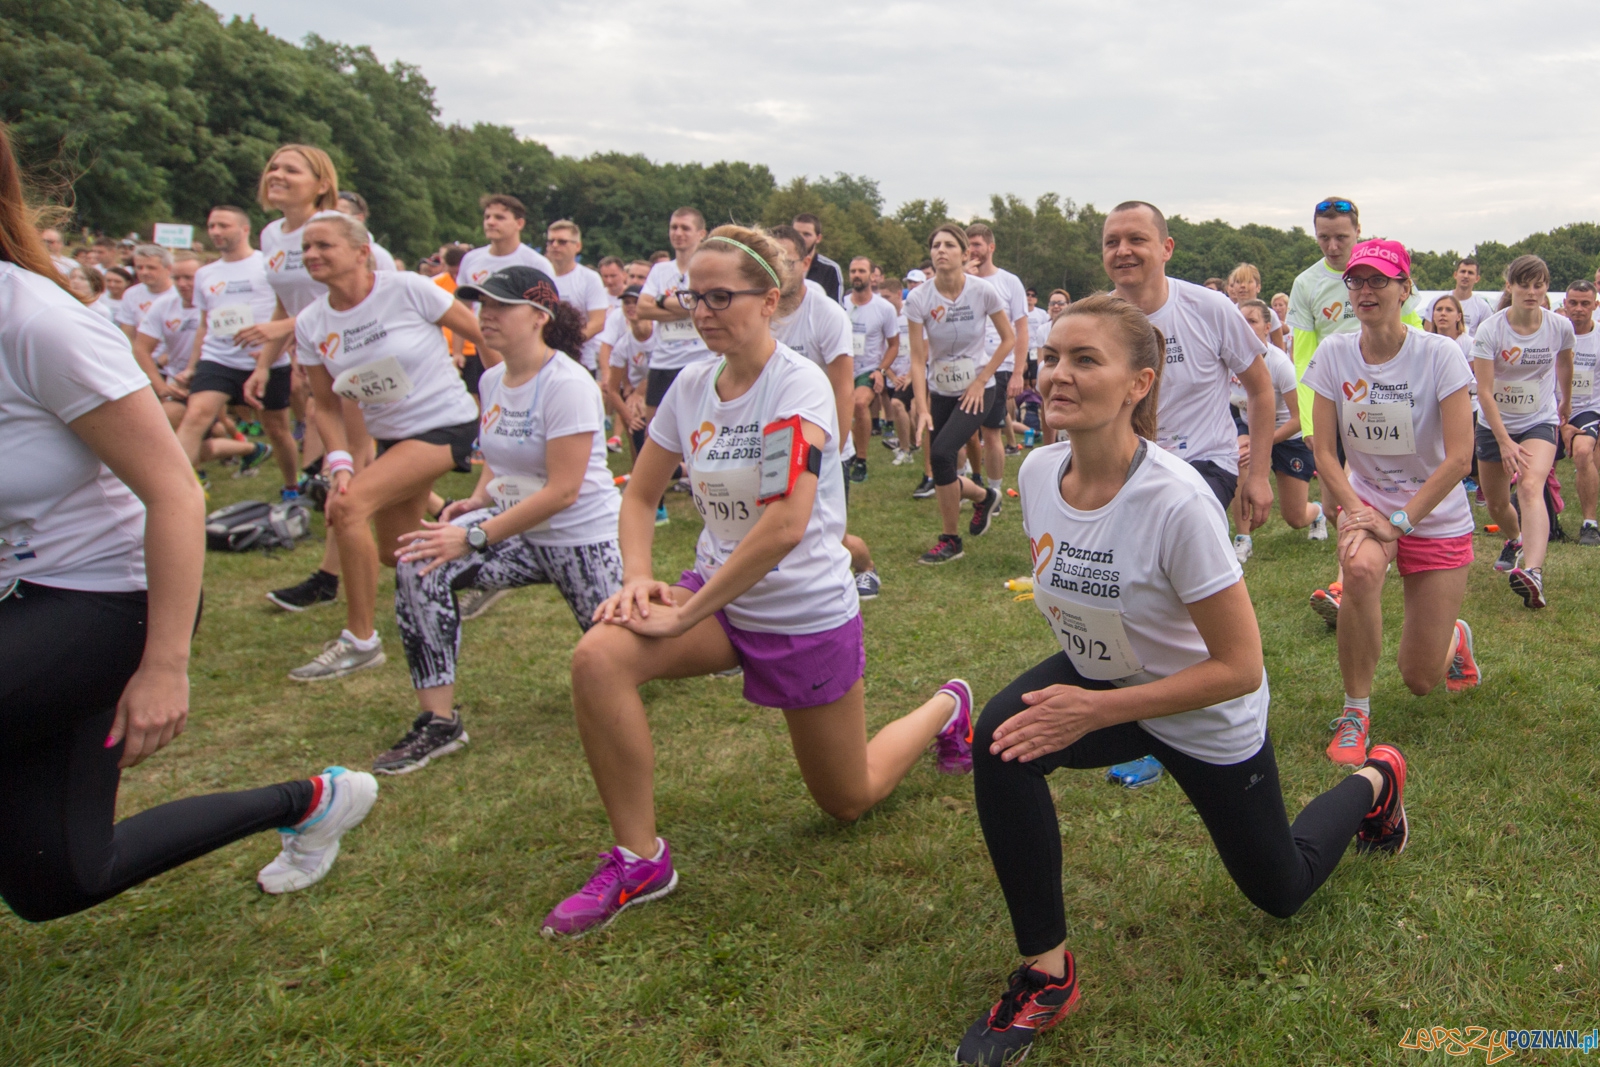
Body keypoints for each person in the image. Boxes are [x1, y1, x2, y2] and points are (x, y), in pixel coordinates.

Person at [956, 292, 1410, 1067]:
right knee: (1001, 741)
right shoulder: (1037, 472)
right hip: (1111, 676)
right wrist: (1088, 703)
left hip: (1206, 709)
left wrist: (1092, 713)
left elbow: (1240, 668)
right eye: (1052, 357)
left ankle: (1378, 780)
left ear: (1139, 383)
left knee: (1281, 889)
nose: (1057, 374)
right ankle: (1047, 973)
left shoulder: (1175, 500)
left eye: (1084, 359)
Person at [546, 225, 975, 938]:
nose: (704, 310)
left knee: (847, 799)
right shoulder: (690, 385)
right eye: (694, 296)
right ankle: (640, 857)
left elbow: (783, 526)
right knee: (599, 655)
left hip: (802, 611)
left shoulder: (797, 385)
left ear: (768, 298)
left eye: (722, 296)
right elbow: (639, 495)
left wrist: (685, 615)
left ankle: (947, 706)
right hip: (718, 597)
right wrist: (640, 579)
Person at [0, 135, 377, 915]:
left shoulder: (39, 324)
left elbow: (177, 494)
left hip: (103, 594)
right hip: (20, 587)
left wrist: (164, 665)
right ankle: (309, 801)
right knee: (59, 880)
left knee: (243, 428)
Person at [377, 267, 624, 772]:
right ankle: (439, 722)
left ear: (539, 316)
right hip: (515, 528)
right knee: (419, 564)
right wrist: (474, 499)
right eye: (481, 306)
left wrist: (473, 535)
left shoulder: (568, 383)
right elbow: (498, 455)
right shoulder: (492, 379)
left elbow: (564, 490)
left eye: (499, 307)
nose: (484, 316)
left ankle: (709, 629)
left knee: (632, 651)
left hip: (581, 538)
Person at [286, 211, 487, 681]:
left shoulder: (406, 289)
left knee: (348, 509)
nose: (312, 255)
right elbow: (326, 405)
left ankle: (360, 641)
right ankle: (481, 558)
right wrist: (338, 463)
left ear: (361, 252)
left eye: (323, 246)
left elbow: (486, 336)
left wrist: (512, 398)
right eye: (306, 249)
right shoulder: (312, 323)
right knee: (395, 553)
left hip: (447, 423)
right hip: (394, 436)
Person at [1303, 239, 1479, 768]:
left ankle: (1456, 639)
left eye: (1380, 280)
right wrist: (1356, 509)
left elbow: (1460, 459)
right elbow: (1324, 450)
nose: (1365, 291)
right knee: (1357, 570)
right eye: (1356, 281)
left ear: (1406, 289)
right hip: (1367, 501)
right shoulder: (1334, 353)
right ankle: (1355, 710)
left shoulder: (1439, 354)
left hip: (1435, 514)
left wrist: (1399, 521)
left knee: (1420, 679)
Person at [1101, 202, 1276, 518]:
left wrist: (1260, 476)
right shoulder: (1096, 321)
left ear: (1167, 248)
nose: (1122, 251)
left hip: (1204, 462)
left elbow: (1261, 389)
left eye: (1136, 240)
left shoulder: (1210, 308)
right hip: (1125, 462)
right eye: (1112, 242)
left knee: (1173, 524)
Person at [767, 227, 882, 597]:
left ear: (806, 262)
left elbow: (842, 388)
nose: (778, 268)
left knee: (826, 534)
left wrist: (832, 452)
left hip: (825, 443)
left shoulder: (827, 314)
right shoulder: (758, 312)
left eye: (786, 260)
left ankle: (864, 566)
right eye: (770, 261)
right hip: (773, 441)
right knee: (777, 527)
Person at [906, 224, 1015, 564]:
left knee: (942, 453)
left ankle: (950, 539)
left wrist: (981, 381)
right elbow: (917, 356)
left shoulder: (983, 292)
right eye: (935, 245)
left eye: (949, 245)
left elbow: (1009, 339)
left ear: (965, 254)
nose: (941, 250)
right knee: (942, 462)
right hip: (940, 388)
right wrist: (922, 407)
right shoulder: (919, 298)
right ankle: (983, 497)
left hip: (977, 390)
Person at [1472, 254, 1574, 608]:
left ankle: (1534, 572)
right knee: (1498, 504)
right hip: (1494, 425)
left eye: (1539, 284)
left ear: (1546, 287)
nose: (1532, 292)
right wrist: (1502, 441)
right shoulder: (1491, 330)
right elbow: (1483, 391)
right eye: (1524, 284)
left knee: (1531, 486)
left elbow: (1565, 360)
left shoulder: (1559, 326)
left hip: (1539, 420)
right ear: (1509, 286)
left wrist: (1565, 402)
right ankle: (1515, 539)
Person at [173, 206, 295, 485]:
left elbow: (287, 313)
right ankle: (176, 488)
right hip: (218, 359)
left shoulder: (268, 265)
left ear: (244, 230)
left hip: (265, 359)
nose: (215, 231)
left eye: (223, 225)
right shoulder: (205, 273)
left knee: (276, 429)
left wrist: (278, 349)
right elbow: (204, 323)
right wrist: (193, 366)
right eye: (212, 226)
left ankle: (291, 485)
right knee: (195, 416)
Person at [1230, 299, 1323, 562]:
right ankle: (1243, 538)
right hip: (1250, 426)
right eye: (1240, 321)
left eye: (1252, 321)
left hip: (1287, 436)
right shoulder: (1229, 358)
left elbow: (1300, 419)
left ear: (1267, 326)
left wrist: (1263, 442)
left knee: (1294, 518)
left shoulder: (1280, 364)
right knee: (1242, 459)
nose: (1245, 327)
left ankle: (1317, 512)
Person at [456, 195, 556, 371]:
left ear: (519, 224)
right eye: (487, 217)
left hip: (521, 350)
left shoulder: (536, 263)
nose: (490, 222)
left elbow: (547, 313)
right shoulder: (471, 259)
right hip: (483, 345)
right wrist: (458, 352)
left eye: (499, 217)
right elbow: (461, 310)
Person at [966, 224, 1030, 492]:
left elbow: (1021, 328)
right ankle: (969, 480)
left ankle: (993, 491)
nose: (972, 250)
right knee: (965, 432)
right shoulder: (959, 281)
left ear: (991, 247)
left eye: (977, 244)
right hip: (965, 364)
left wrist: (1018, 372)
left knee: (991, 431)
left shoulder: (1009, 282)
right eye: (967, 245)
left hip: (998, 366)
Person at [637, 207, 716, 415]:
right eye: (673, 227)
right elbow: (642, 309)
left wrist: (661, 300)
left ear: (701, 234)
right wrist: (686, 306)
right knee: (653, 428)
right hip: (663, 361)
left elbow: (703, 304)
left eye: (685, 228)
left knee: (699, 424)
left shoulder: (709, 268)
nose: (678, 233)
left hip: (700, 359)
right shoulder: (660, 270)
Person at [844, 255, 899, 483]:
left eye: (861, 271)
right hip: (843, 366)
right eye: (853, 271)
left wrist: (881, 370)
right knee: (840, 411)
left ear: (871, 276)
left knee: (858, 404)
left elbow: (894, 345)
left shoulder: (884, 308)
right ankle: (845, 454)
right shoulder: (841, 303)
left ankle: (862, 460)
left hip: (868, 368)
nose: (857, 275)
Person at [131, 252, 202, 424]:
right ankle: (252, 448)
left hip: (209, 379)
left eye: (188, 278)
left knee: (206, 432)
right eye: (176, 278)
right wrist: (162, 388)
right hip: (177, 381)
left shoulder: (217, 304)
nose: (182, 284)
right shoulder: (164, 304)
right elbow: (141, 349)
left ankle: (248, 445)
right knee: (166, 423)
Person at [1559, 281, 1600, 545]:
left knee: (1585, 451)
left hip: (1589, 408)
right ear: (1565, 304)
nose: (1578, 309)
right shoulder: (1554, 334)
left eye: (1585, 303)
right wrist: (1560, 422)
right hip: (1550, 408)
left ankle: (1589, 523)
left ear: (1595, 306)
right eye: (1573, 303)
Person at [543, 220, 610, 375]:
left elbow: (598, 322)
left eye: (562, 241)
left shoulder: (589, 278)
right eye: (551, 241)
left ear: (577, 246)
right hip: (542, 358)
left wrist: (566, 343)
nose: (555, 245)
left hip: (580, 359)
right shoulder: (539, 276)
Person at [114, 244, 175, 346]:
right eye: (139, 267)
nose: (144, 272)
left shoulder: (179, 294)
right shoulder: (131, 294)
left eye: (151, 268)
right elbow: (128, 334)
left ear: (168, 269)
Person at [1422, 257, 1496, 335]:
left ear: (1477, 278)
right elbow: (1427, 333)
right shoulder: (1437, 301)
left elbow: (1487, 337)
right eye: (1462, 271)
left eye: (1470, 273)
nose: (1466, 276)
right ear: (1455, 275)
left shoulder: (1483, 307)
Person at [1225, 262, 1287, 350]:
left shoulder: (1270, 314)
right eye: (1238, 282)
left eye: (1248, 282)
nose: (1243, 286)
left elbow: (1280, 349)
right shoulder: (1228, 312)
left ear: (1258, 287)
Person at [334, 191, 398, 272]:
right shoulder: (319, 252)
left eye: (339, 214)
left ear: (359, 219)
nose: (331, 218)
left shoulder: (380, 257)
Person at [792, 212, 843, 303]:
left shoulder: (830, 269)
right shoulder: (780, 264)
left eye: (806, 234)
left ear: (818, 238)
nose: (800, 238)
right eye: (796, 233)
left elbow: (836, 307)